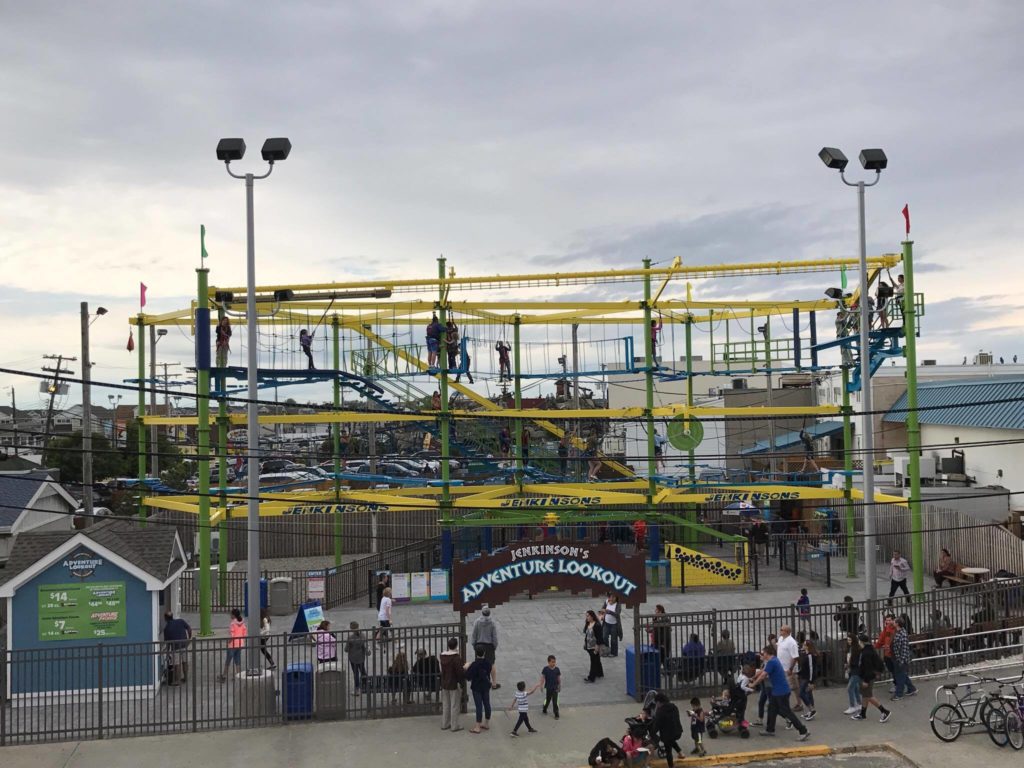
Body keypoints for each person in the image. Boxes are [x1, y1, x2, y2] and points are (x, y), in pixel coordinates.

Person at [752, 645, 809, 740]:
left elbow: (763, 675)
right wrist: (753, 678)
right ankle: (770, 729)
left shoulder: (771, 662)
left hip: (780, 691)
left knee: (787, 712)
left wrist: (753, 684)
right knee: (771, 708)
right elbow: (763, 672)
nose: (762, 655)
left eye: (763, 653)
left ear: (767, 653)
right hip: (778, 690)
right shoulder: (774, 660)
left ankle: (803, 731)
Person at [851, 634, 891, 722]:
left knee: (869, 696)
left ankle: (884, 711)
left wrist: (866, 681)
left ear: (862, 642)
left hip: (867, 677)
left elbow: (868, 668)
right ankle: (863, 713)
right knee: (865, 695)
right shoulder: (868, 649)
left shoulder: (866, 653)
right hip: (868, 676)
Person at [650, 691, 685, 768]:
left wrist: (652, 733)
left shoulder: (660, 712)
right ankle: (680, 753)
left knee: (668, 750)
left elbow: (657, 726)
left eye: (656, 703)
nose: (656, 705)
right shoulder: (674, 707)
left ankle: (671, 766)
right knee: (671, 740)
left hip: (668, 735)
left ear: (659, 702)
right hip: (678, 731)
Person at [465, 646, 493, 733]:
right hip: (485, 686)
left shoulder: (474, 665)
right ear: (484, 653)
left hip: (477, 687)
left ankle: (477, 726)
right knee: (487, 704)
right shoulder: (488, 663)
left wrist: (466, 667)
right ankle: (487, 723)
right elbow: (489, 671)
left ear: (476, 653)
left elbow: (468, 677)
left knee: (479, 706)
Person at [472, 607, 500, 689]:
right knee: (491, 664)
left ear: (482, 613)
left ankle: (481, 681)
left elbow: (474, 635)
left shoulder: (477, 622)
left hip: (479, 645)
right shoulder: (492, 623)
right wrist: (494, 646)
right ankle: (494, 683)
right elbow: (494, 637)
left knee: (479, 664)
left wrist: (474, 645)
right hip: (489, 646)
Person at [440, 637, 465, 731]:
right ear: (456, 646)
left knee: (446, 704)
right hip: (454, 683)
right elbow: (460, 672)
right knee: (454, 705)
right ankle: (454, 725)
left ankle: (445, 723)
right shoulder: (456, 658)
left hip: (444, 683)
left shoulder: (442, 656)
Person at [162, 610, 192, 685]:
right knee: (185, 662)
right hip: (184, 645)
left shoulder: (166, 629)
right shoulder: (180, 621)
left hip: (175, 648)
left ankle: (178, 681)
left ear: (165, 618)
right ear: (172, 616)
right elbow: (189, 629)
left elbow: (168, 643)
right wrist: (189, 638)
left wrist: (168, 652)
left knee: (177, 664)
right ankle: (185, 678)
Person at [890, 617, 917, 700]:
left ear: (897, 624)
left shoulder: (902, 634)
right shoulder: (899, 632)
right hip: (897, 657)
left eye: (894, 622)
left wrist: (901, 660)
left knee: (900, 676)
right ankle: (911, 689)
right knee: (902, 675)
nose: (893, 623)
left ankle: (899, 694)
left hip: (900, 659)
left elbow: (904, 648)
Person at [775, 625, 801, 712]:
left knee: (793, 687)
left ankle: (798, 703)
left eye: (781, 630)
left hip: (789, 669)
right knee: (790, 686)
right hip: (781, 668)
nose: (780, 631)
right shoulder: (781, 639)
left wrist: (791, 668)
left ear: (786, 631)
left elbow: (795, 657)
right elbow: (778, 649)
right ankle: (782, 703)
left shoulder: (792, 642)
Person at [218, 608, 245, 681]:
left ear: (233, 615)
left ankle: (224, 676)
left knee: (228, 661)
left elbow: (232, 635)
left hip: (232, 644)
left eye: (231, 614)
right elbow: (244, 633)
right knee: (237, 660)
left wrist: (228, 642)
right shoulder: (242, 622)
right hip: (240, 643)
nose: (230, 615)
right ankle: (238, 676)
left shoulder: (233, 623)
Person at [796, 638, 818, 721]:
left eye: (804, 645)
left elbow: (812, 669)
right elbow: (804, 667)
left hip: (807, 678)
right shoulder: (806, 655)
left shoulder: (810, 656)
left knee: (801, 693)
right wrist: (799, 673)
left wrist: (811, 681)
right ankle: (811, 710)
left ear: (808, 646)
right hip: (805, 676)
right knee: (808, 693)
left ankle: (812, 709)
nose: (803, 646)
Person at [345, 621, 367, 695]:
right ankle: (366, 685)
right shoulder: (363, 635)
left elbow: (346, 649)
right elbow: (365, 646)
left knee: (356, 673)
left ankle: (357, 689)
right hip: (361, 657)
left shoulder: (350, 637)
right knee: (363, 670)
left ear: (351, 629)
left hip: (353, 658)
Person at [844, 632, 863, 715]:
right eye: (848, 640)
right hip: (852, 670)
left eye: (850, 640)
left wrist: (849, 664)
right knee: (855, 687)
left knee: (850, 688)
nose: (848, 641)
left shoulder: (856, 649)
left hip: (856, 670)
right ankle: (858, 704)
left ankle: (852, 706)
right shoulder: (851, 648)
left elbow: (856, 661)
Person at [584, 609, 605, 683]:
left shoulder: (597, 625)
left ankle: (591, 677)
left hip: (594, 647)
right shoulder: (588, 623)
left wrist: (597, 647)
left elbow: (599, 637)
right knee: (597, 660)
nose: (587, 618)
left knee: (593, 662)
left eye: (588, 616)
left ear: (592, 616)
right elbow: (586, 634)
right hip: (589, 646)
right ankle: (600, 673)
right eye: (586, 616)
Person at [539, 654, 561, 719]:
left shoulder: (557, 669)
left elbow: (558, 678)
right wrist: (541, 685)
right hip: (548, 688)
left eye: (554, 662)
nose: (554, 663)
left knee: (555, 701)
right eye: (552, 662)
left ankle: (556, 713)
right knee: (548, 699)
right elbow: (543, 678)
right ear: (548, 662)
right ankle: (545, 708)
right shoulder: (545, 669)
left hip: (555, 688)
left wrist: (559, 685)